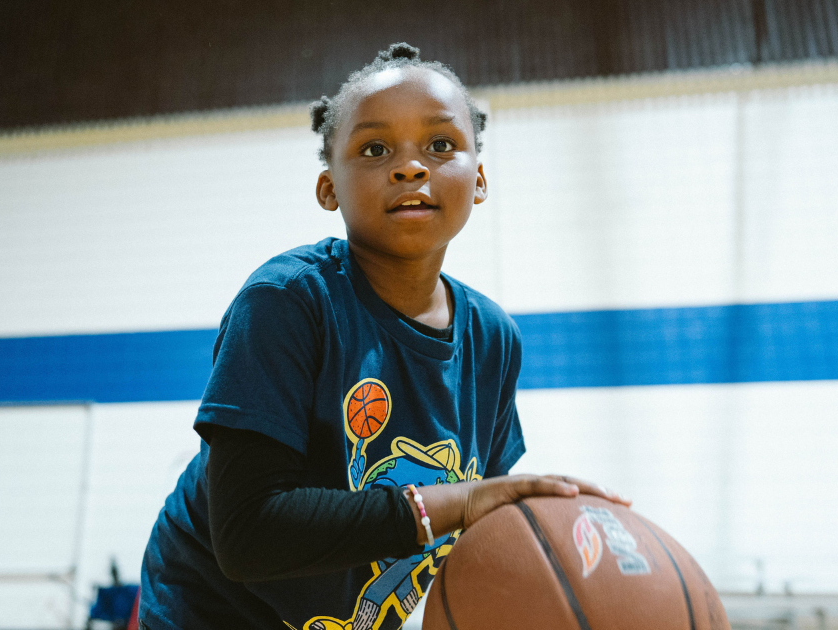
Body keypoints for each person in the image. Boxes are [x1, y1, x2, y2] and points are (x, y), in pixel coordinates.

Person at [139, 43, 629, 630]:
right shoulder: (288, 301)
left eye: (440, 145)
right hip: (213, 612)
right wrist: (458, 502)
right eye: (375, 149)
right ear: (329, 189)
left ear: (478, 179)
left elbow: (484, 527)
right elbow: (249, 535)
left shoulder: (493, 339)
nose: (410, 167)